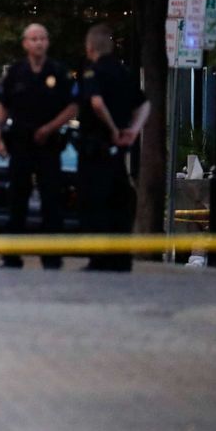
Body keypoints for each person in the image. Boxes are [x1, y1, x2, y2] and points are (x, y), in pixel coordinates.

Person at [0, 24, 77, 269]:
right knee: (17, 199)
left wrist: (50, 128)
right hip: (20, 142)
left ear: (48, 42)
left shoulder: (59, 72)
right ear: (25, 43)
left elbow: (73, 106)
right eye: (34, 39)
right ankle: (12, 256)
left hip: (48, 143)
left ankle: (52, 257)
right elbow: (3, 105)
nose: (39, 43)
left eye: (42, 38)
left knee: (51, 200)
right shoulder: (15, 73)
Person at [77, 24, 151, 271]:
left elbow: (96, 104)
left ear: (90, 48)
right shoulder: (125, 73)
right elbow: (144, 106)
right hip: (118, 151)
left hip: (96, 148)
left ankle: (100, 259)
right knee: (119, 203)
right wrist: (132, 131)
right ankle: (121, 258)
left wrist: (112, 129)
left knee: (96, 204)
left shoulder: (93, 72)